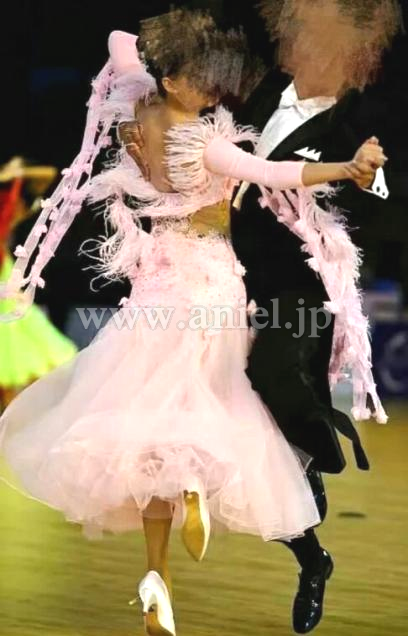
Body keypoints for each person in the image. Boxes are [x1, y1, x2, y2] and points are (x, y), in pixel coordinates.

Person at [0, 12, 384, 636]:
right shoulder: (205, 140)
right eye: (200, 76)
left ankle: (158, 576)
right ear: (177, 79)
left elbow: (118, 41)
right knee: (211, 394)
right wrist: (343, 169)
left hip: (158, 279)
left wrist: (155, 65)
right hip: (208, 279)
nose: (214, 86)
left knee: (154, 410)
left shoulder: (138, 112)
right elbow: (275, 173)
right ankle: (196, 489)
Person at [0, 157, 77, 412]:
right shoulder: (6, 206)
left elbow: (47, 173)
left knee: (19, 363)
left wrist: (16, 174)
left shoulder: (14, 209)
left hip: (7, 284)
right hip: (5, 284)